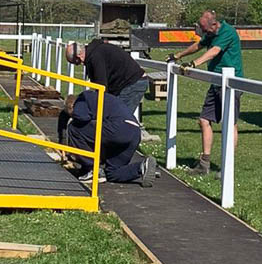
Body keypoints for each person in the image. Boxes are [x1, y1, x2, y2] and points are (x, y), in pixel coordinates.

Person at [170, 10, 243, 174]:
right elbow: (199, 45)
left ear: (214, 24)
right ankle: (205, 164)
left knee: (230, 123)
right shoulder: (210, 33)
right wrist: (178, 55)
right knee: (204, 120)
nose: (204, 33)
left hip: (231, 83)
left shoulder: (227, 32)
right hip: (216, 81)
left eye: (205, 30)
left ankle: (227, 166)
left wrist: (194, 64)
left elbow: (214, 51)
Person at [65, 88, 155, 186]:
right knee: (112, 173)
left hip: (119, 128)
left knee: (74, 127)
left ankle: (93, 169)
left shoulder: (82, 99)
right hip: (134, 133)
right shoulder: (101, 100)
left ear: (72, 106)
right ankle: (142, 167)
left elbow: (81, 117)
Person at [64, 39, 147, 114]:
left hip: (133, 83)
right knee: (112, 115)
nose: (80, 64)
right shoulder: (94, 53)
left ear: (79, 57)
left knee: (119, 118)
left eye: (76, 63)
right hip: (125, 84)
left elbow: (101, 87)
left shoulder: (96, 57)